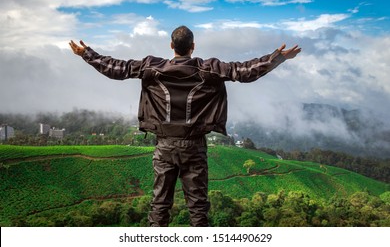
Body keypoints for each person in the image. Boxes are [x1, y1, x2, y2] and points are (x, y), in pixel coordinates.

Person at [69, 25, 301, 227]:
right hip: (194, 148)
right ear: (193, 46)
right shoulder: (209, 68)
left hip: (164, 148)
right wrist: (277, 57)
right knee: (198, 208)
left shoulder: (152, 67)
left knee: (159, 204)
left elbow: (116, 68)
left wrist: (86, 53)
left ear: (171, 45)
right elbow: (244, 71)